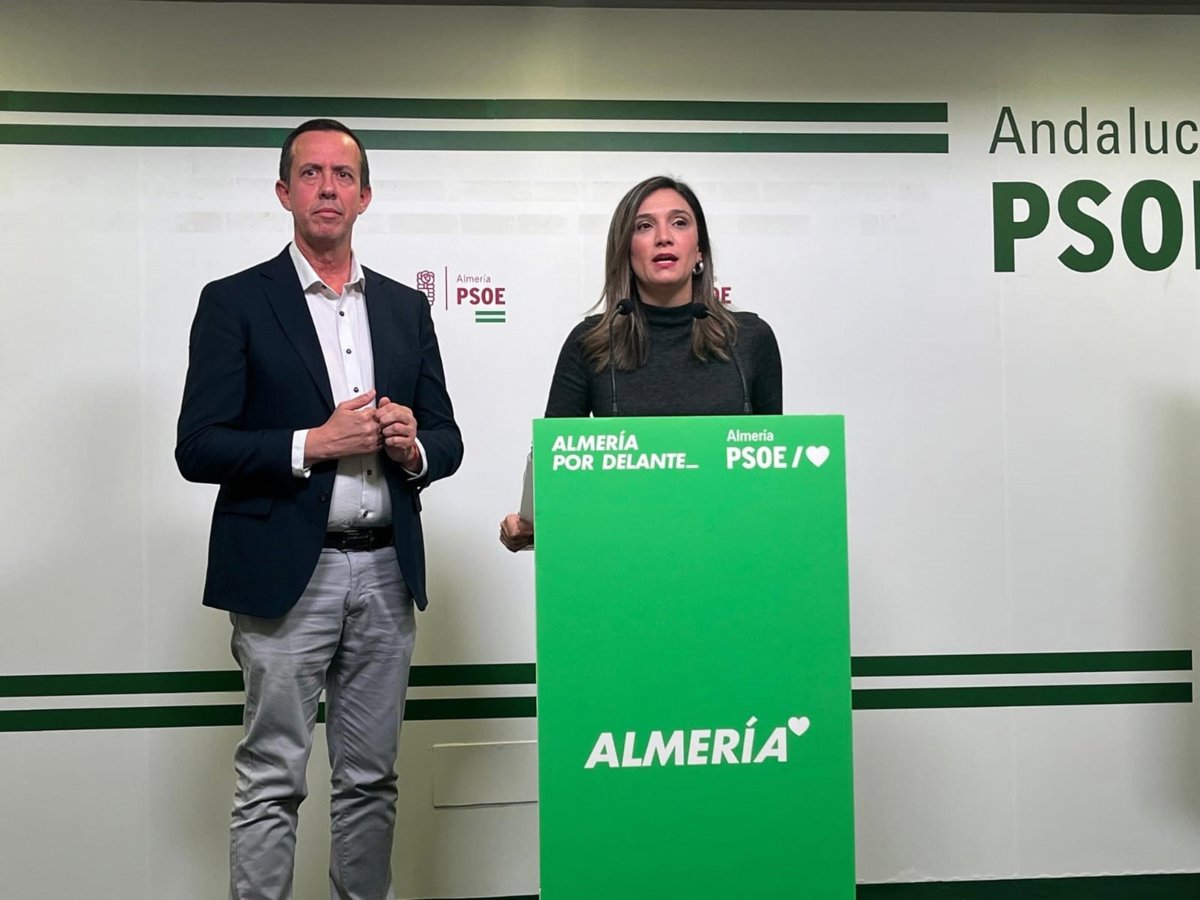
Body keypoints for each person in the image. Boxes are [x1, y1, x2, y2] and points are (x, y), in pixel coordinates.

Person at [175, 118, 463, 900]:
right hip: (284, 577)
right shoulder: (234, 302)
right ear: (284, 192)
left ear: (365, 196)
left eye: (343, 175)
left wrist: (412, 446)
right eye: (311, 173)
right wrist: (313, 442)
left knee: (371, 780)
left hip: (386, 571)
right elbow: (198, 447)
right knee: (272, 778)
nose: (327, 188)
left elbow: (448, 438)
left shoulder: (405, 308)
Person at [499, 174, 782, 551]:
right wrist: (530, 524)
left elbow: (773, 469)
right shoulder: (591, 342)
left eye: (679, 222)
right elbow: (555, 469)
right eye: (644, 226)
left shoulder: (749, 340)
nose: (663, 237)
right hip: (622, 552)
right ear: (625, 251)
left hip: (731, 549)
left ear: (699, 250)